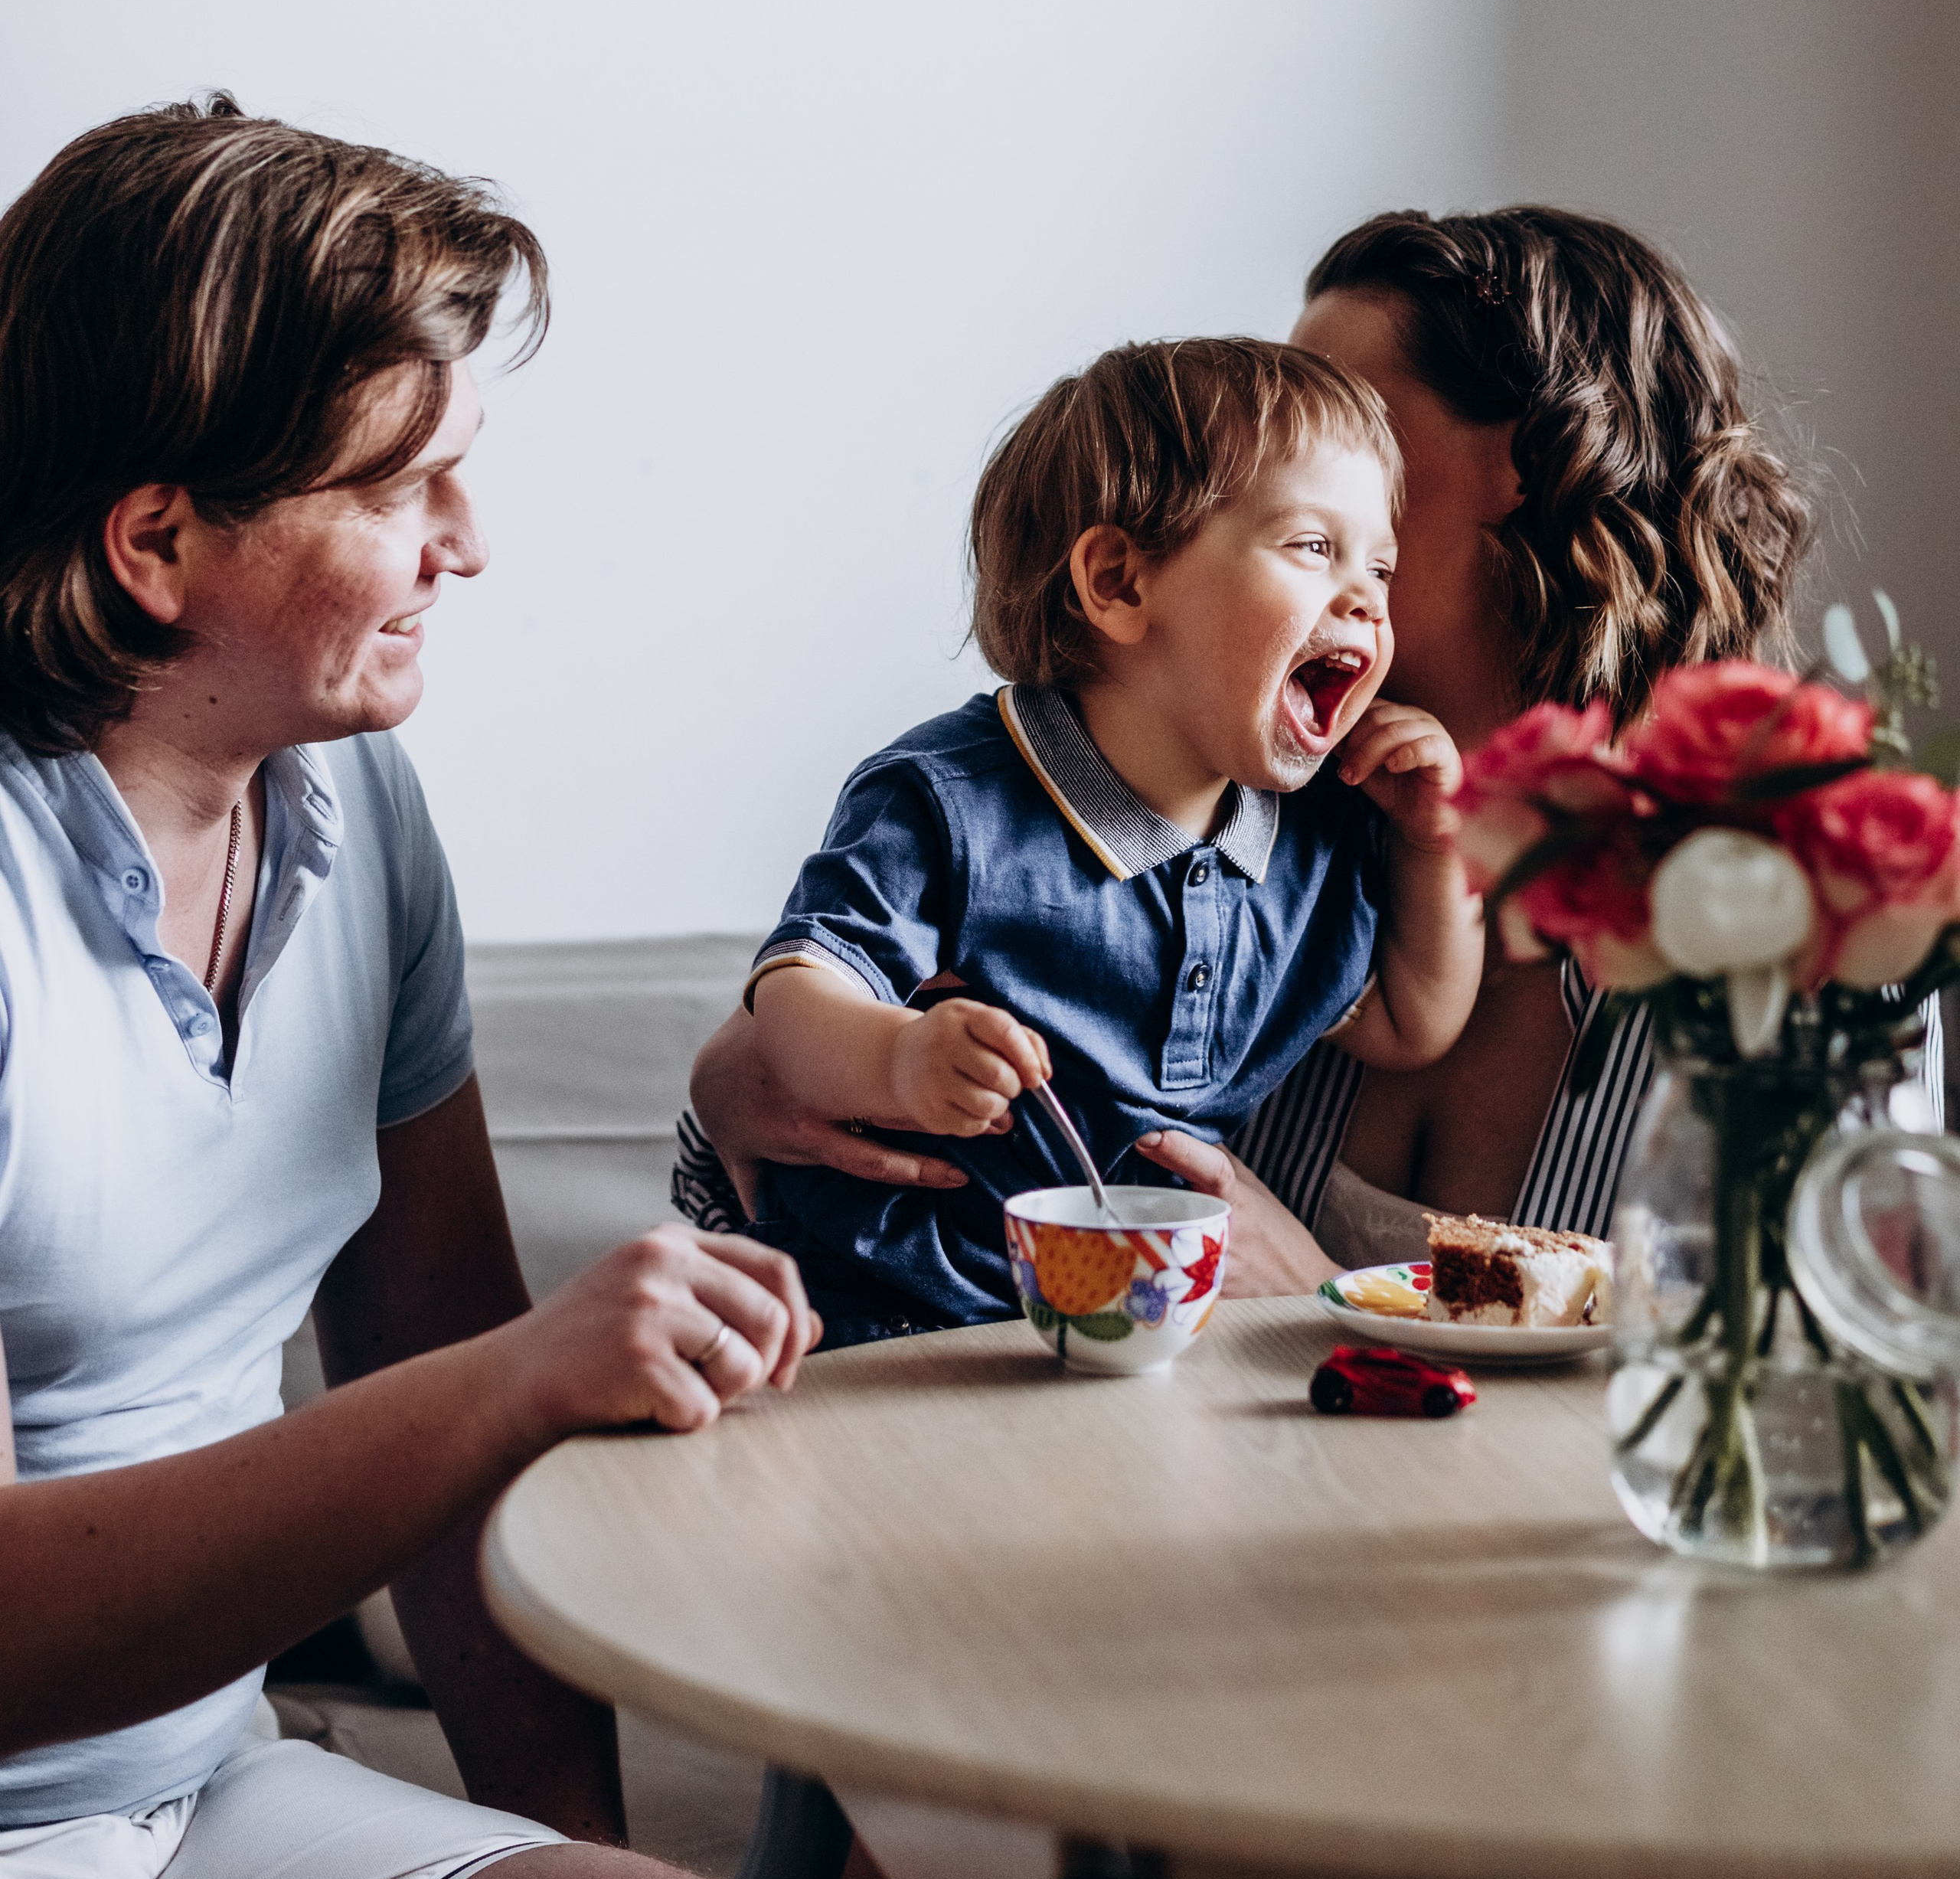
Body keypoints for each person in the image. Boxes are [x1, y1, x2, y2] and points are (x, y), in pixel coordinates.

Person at [0, 100, 851, 1879]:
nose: (470, 547)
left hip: (200, 1782)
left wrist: (570, 1860)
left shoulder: (354, 807)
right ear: (158, 542)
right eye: (405, 492)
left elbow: (444, 1371)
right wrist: (510, 1381)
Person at [683, 206, 1840, 1286]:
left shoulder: (1794, 950)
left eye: (1356, 441)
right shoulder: (1243, 828)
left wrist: (1315, 1298)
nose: (1304, 471)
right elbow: (836, 1056)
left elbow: (1806, 1426)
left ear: (1557, 473)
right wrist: (738, 1084)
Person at [720, 337, 1483, 1345]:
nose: (1368, 600)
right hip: (895, 1314)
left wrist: (1434, 845)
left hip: (1135, 1336)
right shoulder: (951, 802)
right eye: (1313, 547)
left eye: (1378, 564)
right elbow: (793, 1000)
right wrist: (899, 1058)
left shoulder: (1312, 839)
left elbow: (1409, 1017)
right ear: (1121, 582)